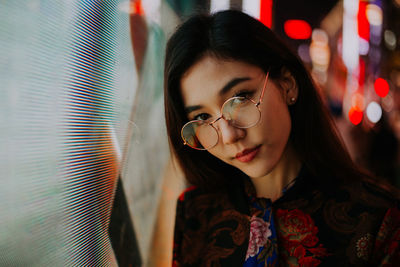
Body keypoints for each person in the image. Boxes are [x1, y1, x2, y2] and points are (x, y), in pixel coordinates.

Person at [163, 10, 400, 266]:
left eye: (240, 99)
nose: (230, 135)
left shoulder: (377, 219)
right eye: (201, 117)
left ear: (287, 84)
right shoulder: (196, 212)